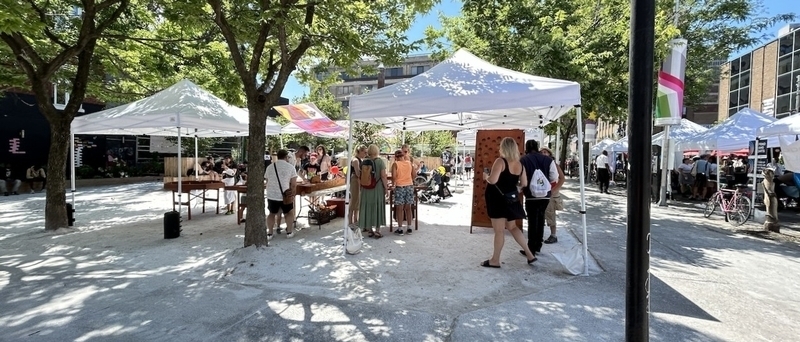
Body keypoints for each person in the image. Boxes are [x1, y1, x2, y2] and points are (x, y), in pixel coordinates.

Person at [481, 137, 535, 268]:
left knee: (499, 231)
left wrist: (486, 177)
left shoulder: (500, 161)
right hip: (511, 199)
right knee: (513, 227)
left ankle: (495, 260)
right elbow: (524, 183)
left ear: (503, 147)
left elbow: (493, 180)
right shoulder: (520, 165)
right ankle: (530, 254)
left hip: (497, 200)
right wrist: (514, 187)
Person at [519, 139, 559, 259]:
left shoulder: (523, 160)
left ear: (526, 147)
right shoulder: (548, 160)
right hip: (545, 196)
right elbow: (554, 177)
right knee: (541, 219)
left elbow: (521, 178)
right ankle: (538, 245)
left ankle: (530, 248)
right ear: (537, 147)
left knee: (532, 221)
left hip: (531, 196)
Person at [265, 150, 298, 239]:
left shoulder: (270, 167)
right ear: (286, 157)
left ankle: (270, 233)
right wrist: (293, 194)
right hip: (285, 194)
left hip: (272, 194)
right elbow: (294, 184)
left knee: (271, 213)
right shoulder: (291, 167)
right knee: (289, 213)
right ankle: (289, 232)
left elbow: (267, 181)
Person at [360, 144, 390, 239]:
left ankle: (369, 230)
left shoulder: (364, 161)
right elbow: (383, 176)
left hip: (366, 188)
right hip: (377, 187)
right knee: (377, 206)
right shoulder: (380, 162)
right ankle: (377, 230)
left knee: (368, 207)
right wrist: (386, 188)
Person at [540, 147, 565, 244]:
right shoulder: (540, 163)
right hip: (543, 192)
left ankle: (553, 235)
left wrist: (555, 190)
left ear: (549, 154)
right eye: (541, 152)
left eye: (545, 152)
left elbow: (562, 178)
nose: (543, 154)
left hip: (551, 192)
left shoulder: (553, 164)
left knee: (550, 213)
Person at [391, 149, 415, 236]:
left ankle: (400, 228)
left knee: (399, 208)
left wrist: (393, 184)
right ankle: (409, 227)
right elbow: (414, 175)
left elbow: (393, 176)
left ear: (395, 157)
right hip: (409, 186)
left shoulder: (395, 164)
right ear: (403, 156)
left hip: (400, 186)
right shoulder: (409, 163)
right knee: (408, 207)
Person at [349, 146, 368, 230]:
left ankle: (355, 219)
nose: (366, 154)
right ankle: (350, 221)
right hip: (355, 180)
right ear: (359, 151)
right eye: (364, 152)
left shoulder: (360, 160)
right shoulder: (355, 160)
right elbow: (357, 173)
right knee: (354, 200)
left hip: (358, 181)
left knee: (357, 201)